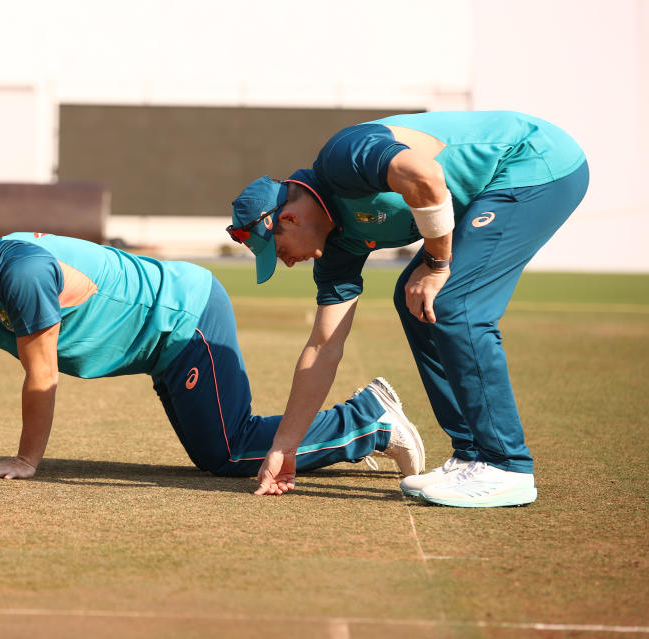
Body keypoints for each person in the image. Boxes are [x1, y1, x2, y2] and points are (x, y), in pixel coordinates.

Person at [0, 217, 425, 487]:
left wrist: (28, 459)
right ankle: (363, 420)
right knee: (220, 451)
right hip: (161, 345)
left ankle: (370, 419)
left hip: (185, 318)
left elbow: (41, 374)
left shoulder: (21, 273)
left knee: (230, 451)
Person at [228, 110, 588, 507]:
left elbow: (426, 177)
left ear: (291, 218)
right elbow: (324, 346)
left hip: (534, 161)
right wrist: (286, 445)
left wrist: (436, 264)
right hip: (494, 184)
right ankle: (471, 454)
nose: (287, 263)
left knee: (455, 302)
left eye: (279, 251)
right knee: (414, 297)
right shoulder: (336, 248)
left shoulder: (342, 158)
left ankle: (506, 465)